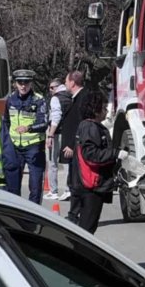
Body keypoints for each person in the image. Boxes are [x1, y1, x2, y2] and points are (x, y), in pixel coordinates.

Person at [74, 90, 128, 233]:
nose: (106, 112)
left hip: (91, 184)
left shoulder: (89, 126)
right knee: (87, 228)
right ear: (95, 109)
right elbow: (91, 155)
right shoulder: (90, 127)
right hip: (92, 185)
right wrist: (115, 154)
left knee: (88, 225)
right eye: (103, 108)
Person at [3, 69, 48, 204]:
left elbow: (44, 123)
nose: (23, 86)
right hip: (15, 147)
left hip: (34, 147)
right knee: (13, 185)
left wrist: (28, 128)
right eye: (20, 82)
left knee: (35, 186)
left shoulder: (38, 100)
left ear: (31, 84)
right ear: (15, 84)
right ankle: (15, 212)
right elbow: (6, 121)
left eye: (26, 83)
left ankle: (34, 215)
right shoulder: (10, 99)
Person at [60, 71, 88, 223]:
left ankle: (75, 215)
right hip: (75, 147)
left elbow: (80, 124)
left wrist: (71, 145)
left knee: (77, 182)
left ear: (72, 82)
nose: (65, 84)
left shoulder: (82, 98)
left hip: (77, 148)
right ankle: (74, 213)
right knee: (74, 181)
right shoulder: (77, 98)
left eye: (66, 81)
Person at [44, 78, 71, 200]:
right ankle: (68, 189)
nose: (50, 90)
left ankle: (53, 191)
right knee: (67, 163)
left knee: (52, 161)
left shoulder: (56, 98)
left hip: (56, 133)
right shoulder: (71, 96)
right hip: (68, 133)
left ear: (56, 87)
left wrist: (50, 135)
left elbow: (55, 117)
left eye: (51, 88)